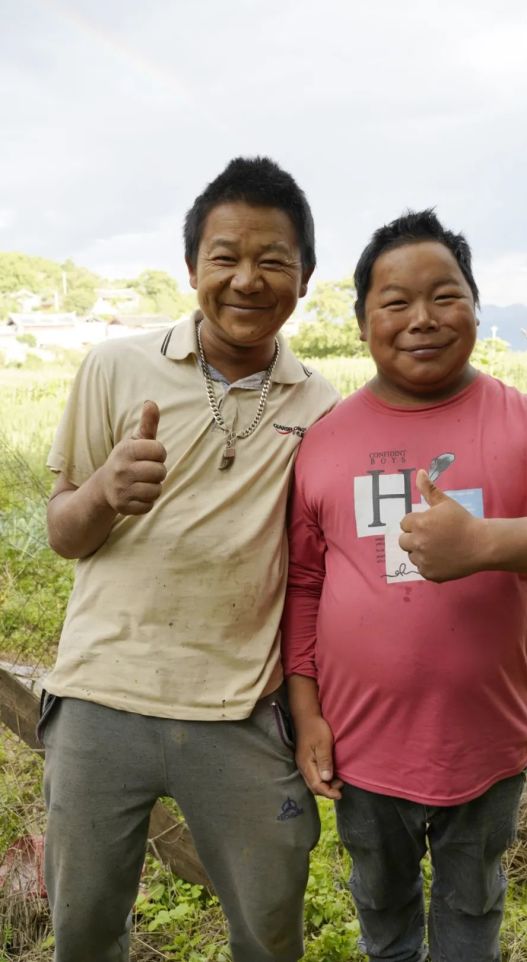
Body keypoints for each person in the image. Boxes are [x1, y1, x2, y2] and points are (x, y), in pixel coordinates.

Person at [281, 209, 527, 962]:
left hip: (485, 743)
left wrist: (485, 544)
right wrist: (306, 712)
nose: (422, 319)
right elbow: (305, 586)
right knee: (381, 902)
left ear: (476, 306)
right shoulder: (325, 441)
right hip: (361, 746)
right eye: (395, 302)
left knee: (471, 905)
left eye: (445, 296)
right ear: (362, 322)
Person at [41, 156, 339, 962]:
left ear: (304, 277)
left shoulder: (321, 406)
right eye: (225, 257)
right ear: (191, 267)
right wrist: (102, 492)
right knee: (84, 929)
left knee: (269, 930)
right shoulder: (115, 367)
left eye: (272, 260)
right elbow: (63, 532)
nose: (246, 279)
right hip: (101, 694)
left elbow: (320, 570)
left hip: (242, 709)